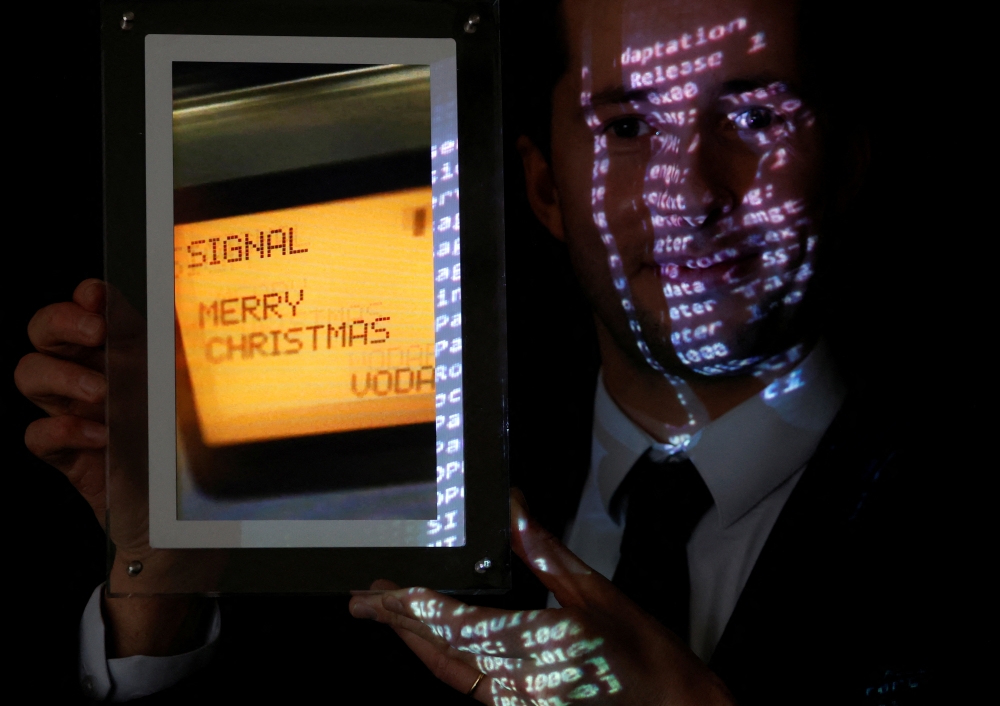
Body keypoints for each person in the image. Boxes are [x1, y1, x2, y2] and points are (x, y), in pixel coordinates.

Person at [16, 0, 946, 703]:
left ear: (849, 164)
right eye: (626, 128)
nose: (689, 191)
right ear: (543, 187)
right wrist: (161, 600)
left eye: (754, 119)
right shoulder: (388, 512)